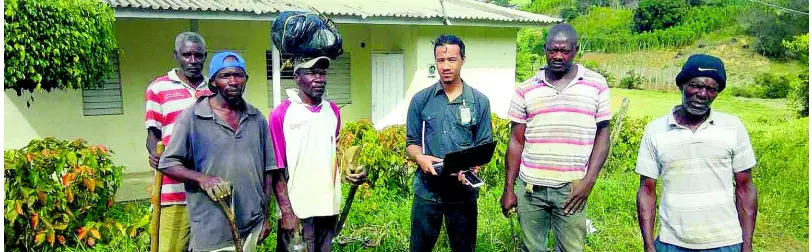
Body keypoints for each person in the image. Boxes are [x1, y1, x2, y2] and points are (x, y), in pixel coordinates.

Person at [500, 23, 611, 251]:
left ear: (575, 50)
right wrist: (509, 189)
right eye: (552, 50)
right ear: (545, 49)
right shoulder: (526, 89)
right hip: (531, 188)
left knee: (571, 249)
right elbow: (516, 141)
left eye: (565, 50)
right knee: (532, 248)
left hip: (572, 189)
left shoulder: (596, 84)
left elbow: (603, 134)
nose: (558, 56)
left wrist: (588, 181)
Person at [635, 54, 758, 252]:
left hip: (726, 243)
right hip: (671, 243)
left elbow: (745, 188)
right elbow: (647, 191)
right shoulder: (655, 130)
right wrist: (649, 245)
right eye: (695, 85)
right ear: (682, 85)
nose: (702, 94)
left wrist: (747, 246)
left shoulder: (733, 127)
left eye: (711, 89)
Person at [158, 51, 278, 252]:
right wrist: (203, 179)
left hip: (250, 225)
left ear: (245, 79)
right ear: (212, 82)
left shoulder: (256, 118)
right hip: (211, 230)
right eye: (225, 76)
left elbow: (268, 170)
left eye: (238, 75)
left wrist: (265, 217)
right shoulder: (192, 118)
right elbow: (167, 163)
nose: (233, 81)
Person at [269, 56, 368, 252]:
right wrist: (287, 212)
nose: (319, 78)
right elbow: (276, 168)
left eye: (322, 73)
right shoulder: (281, 114)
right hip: (298, 212)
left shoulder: (332, 111)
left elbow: (334, 154)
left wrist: (351, 172)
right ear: (297, 77)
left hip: (327, 209)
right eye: (312, 73)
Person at [405, 34, 493, 252]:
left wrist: (473, 168)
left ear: (462, 60)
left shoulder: (479, 102)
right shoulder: (420, 100)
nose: (445, 66)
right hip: (428, 191)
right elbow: (411, 143)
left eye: (451, 60)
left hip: (463, 195)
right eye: (440, 60)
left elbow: (483, 146)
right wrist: (420, 157)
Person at [144, 31, 212, 252]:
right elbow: (152, 133)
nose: (193, 61)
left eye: (198, 55)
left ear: (205, 56)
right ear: (176, 55)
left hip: (209, 191)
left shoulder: (215, 89)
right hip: (173, 192)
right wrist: (154, 152)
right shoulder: (158, 89)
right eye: (186, 55)